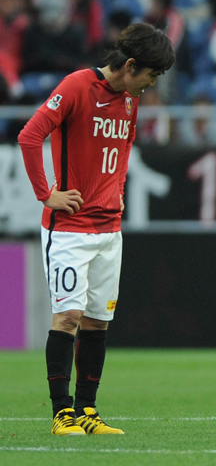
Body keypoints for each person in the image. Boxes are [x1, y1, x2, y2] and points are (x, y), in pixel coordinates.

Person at [18, 23, 175, 435]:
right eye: (150, 76)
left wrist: (117, 189)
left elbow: (123, 149)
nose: (151, 86)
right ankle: (61, 414)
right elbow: (30, 135)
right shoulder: (76, 86)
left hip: (109, 230)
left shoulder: (129, 101)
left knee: (97, 322)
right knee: (67, 316)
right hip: (69, 229)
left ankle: (88, 413)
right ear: (129, 65)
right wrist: (46, 194)